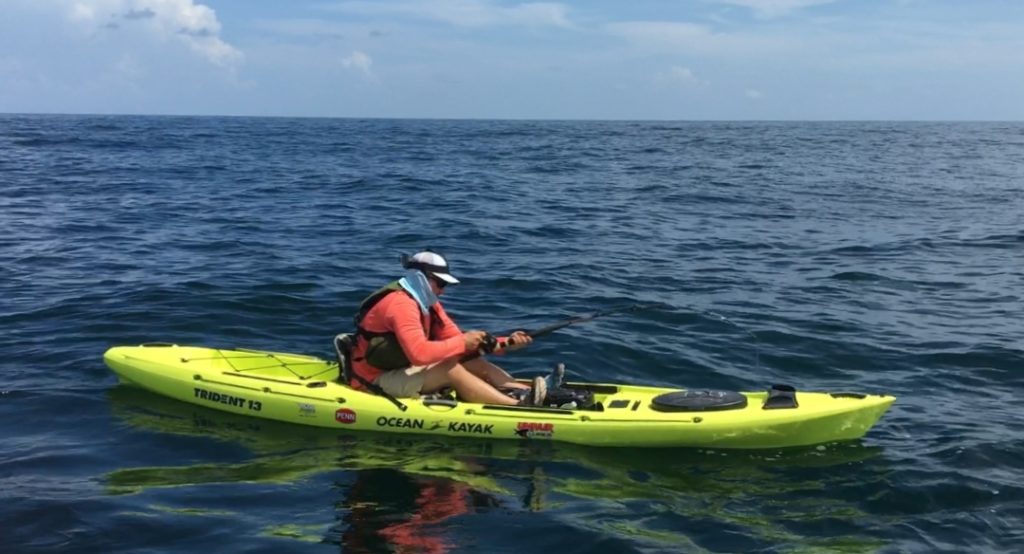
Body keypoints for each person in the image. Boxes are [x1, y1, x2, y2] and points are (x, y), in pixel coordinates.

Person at [349, 250, 546, 406]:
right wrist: (463, 341)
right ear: (420, 278)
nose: (443, 291)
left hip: (402, 368)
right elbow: (419, 354)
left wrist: (507, 343)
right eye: (440, 283)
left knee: (467, 359)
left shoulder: (427, 303)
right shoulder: (401, 305)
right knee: (449, 369)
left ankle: (525, 392)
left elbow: (457, 341)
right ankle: (515, 406)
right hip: (373, 379)